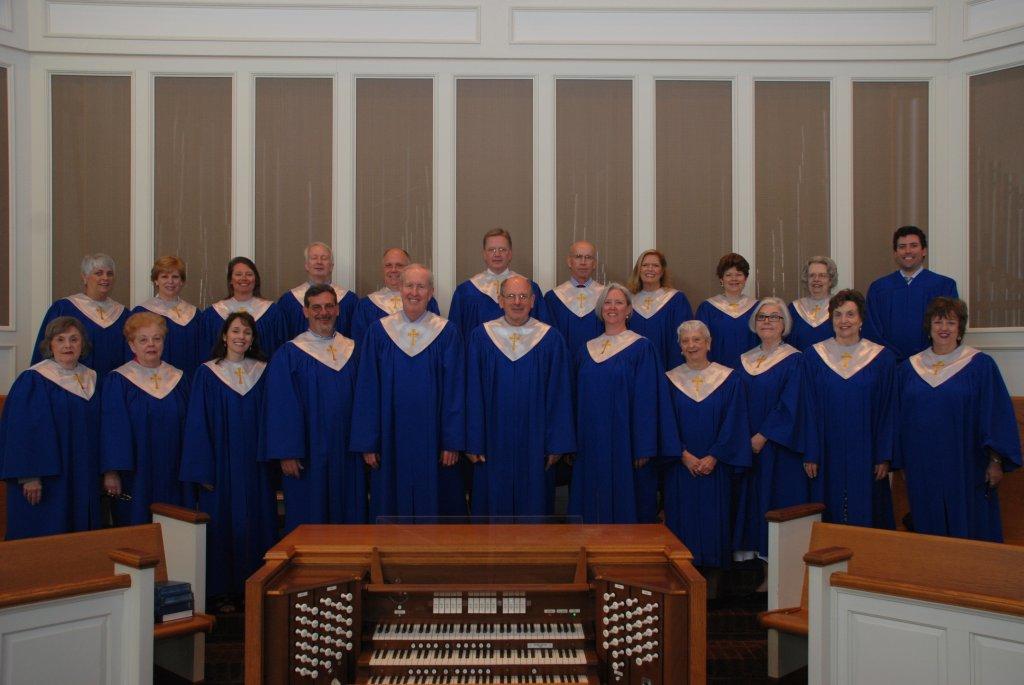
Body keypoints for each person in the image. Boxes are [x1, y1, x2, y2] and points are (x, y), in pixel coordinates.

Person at [894, 297, 1021, 542]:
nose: (944, 328)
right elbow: (899, 418)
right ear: (928, 327)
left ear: (960, 328)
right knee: (926, 526)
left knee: (970, 524)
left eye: (951, 322)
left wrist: (995, 460)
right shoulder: (910, 368)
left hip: (967, 464)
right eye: (938, 321)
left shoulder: (980, 365)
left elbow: (996, 414)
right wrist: (902, 462)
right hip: (922, 464)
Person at [350, 264, 466, 520]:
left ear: (431, 292)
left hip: (434, 440)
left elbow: (455, 392)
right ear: (400, 289)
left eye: (421, 286)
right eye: (409, 285)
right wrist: (368, 442)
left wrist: (451, 441)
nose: (414, 292)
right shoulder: (379, 332)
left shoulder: (446, 333)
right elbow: (367, 389)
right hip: (391, 438)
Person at [179, 311, 277, 610]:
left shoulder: (263, 371)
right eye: (235, 331)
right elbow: (198, 424)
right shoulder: (208, 374)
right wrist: (203, 469)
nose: (241, 337)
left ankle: (259, 583)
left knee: (258, 520)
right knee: (222, 523)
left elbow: (274, 418)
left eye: (247, 332)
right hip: (221, 465)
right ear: (224, 336)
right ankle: (222, 591)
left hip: (255, 464)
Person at [465, 275, 574, 518]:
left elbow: (559, 395)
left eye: (523, 296)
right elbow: (471, 392)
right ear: (500, 300)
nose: (517, 302)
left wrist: (556, 443)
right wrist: (473, 440)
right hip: (492, 441)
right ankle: (492, 556)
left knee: (534, 505)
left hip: (536, 441)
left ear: (533, 301)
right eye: (511, 296)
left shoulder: (550, 339)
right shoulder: (481, 337)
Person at [263, 284, 366, 532]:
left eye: (329, 306)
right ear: (305, 312)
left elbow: (366, 401)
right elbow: (281, 407)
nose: (323, 312)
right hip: (309, 454)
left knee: (349, 517)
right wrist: (288, 452)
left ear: (338, 309)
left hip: (348, 451)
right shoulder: (289, 354)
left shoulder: (353, 350)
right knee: (310, 518)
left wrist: (366, 443)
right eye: (316, 307)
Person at [567, 284, 663, 524]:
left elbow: (647, 401)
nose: (612, 307)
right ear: (600, 309)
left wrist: (643, 446)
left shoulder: (641, 347)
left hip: (625, 442)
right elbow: (574, 399)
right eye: (607, 303)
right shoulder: (586, 350)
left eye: (619, 302)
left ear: (629, 310)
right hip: (589, 441)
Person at [0, 317, 101, 539]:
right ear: (50, 345)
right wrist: (30, 476)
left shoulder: (91, 378)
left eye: (74, 339)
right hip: (47, 478)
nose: (68, 345)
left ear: (82, 344)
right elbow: (22, 432)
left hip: (83, 473)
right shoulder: (34, 380)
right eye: (61, 339)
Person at [662, 320, 750, 570]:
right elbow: (665, 423)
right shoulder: (669, 380)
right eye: (686, 341)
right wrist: (682, 454)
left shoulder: (729, 379)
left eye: (697, 340)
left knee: (715, 521)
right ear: (679, 346)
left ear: (708, 343)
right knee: (681, 521)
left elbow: (734, 422)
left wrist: (715, 456)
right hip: (681, 468)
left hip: (716, 468)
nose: (691, 345)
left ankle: (713, 586)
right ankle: (681, 575)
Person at [803, 289, 896, 528]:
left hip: (866, 449)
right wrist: (811, 452)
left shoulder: (881, 358)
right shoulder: (814, 356)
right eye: (838, 315)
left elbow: (888, 410)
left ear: (861, 319)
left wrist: (883, 455)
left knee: (868, 507)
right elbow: (809, 408)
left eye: (850, 315)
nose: (844, 321)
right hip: (826, 448)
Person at [733, 298, 817, 562]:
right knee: (752, 503)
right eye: (762, 317)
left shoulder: (795, 360)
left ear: (785, 324)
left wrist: (761, 436)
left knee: (778, 502)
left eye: (774, 317)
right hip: (748, 448)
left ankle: (778, 571)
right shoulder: (745, 360)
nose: (767, 321)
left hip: (780, 449)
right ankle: (754, 570)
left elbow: (791, 404)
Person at [100, 312, 190, 526]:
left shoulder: (179, 379)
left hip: (174, 470)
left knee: (177, 526)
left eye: (157, 338)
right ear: (132, 345)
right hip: (136, 473)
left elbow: (191, 429)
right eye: (143, 339)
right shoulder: (119, 381)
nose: (151, 344)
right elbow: (113, 431)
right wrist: (112, 472)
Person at [864, 225, 958, 361]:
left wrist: (927, 356)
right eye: (902, 247)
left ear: (924, 251)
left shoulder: (944, 286)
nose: (907, 251)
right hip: (889, 365)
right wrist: (890, 358)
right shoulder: (879, 288)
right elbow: (872, 332)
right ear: (895, 253)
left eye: (913, 245)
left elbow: (949, 327)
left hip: (933, 363)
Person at [32, 253, 129, 377]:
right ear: (85, 277)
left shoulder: (123, 314)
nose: (105, 278)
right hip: (71, 383)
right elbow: (46, 350)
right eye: (98, 273)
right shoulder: (64, 308)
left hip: (112, 382)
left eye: (109, 274)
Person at [449, 228, 549, 342]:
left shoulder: (530, 288)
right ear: (484, 254)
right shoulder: (465, 292)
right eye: (491, 250)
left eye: (502, 249)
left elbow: (542, 331)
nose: (497, 254)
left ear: (510, 254)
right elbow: (456, 337)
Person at [203, 256, 288, 359]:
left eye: (249, 274)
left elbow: (281, 351)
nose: (244, 278)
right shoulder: (213, 315)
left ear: (255, 279)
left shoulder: (272, 312)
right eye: (238, 274)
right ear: (230, 280)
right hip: (223, 373)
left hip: (263, 373)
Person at [351, 247, 440, 345]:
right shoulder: (366, 305)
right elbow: (361, 347)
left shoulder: (426, 301)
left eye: (399, 265)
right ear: (382, 269)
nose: (393, 270)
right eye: (388, 265)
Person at [133, 255, 203, 379]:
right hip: (151, 380)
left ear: (182, 281)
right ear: (156, 280)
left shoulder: (194, 315)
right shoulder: (142, 313)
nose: (170, 281)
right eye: (164, 276)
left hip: (188, 378)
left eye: (175, 277)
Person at [626, 249, 693, 371]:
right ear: (638, 270)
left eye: (655, 265)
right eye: (645, 265)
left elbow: (684, 338)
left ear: (662, 271)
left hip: (668, 367)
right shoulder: (627, 301)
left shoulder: (676, 300)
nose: (650, 269)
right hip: (632, 366)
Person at [276, 242, 358, 339]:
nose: (319, 262)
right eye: (314, 258)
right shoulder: (289, 301)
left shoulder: (349, 301)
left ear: (331, 266)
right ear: (306, 265)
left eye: (324, 258)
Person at [695, 253, 758, 369]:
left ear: (745, 279)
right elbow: (699, 343)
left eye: (739, 275)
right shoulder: (707, 308)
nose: (734, 279)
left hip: (751, 370)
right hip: (716, 373)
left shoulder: (757, 308)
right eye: (728, 275)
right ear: (721, 279)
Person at [544, 241, 605, 357]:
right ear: (569, 262)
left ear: (594, 264)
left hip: (599, 362)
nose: (583, 262)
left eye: (588, 257)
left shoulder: (606, 296)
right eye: (578, 257)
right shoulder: (553, 298)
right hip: (563, 362)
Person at [787, 256, 838, 351]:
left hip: (832, 364)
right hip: (800, 363)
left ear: (830, 280)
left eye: (822, 275)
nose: (816, 279)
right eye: (812, 275)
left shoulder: (840, 307)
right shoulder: (794, 309)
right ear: (806, 280)